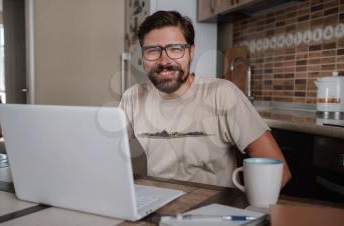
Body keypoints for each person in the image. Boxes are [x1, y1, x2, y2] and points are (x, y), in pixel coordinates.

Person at [119, 10, 291, 188]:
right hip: (159, 207)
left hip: (214, 208)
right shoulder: (133, 98)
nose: (164, 61)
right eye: (153, 51)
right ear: (143, 56)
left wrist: (241, 207)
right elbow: (103, 153)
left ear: (191, 52)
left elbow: (279, 173)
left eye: (175, 49)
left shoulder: (223, 95)